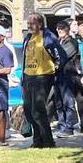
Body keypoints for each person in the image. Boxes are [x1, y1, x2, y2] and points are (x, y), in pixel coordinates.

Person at [20, 13, 67, 148]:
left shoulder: (48, 37)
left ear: (40, 24)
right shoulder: (28, 38)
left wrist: (54, 72)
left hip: (43, 77)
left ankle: (48, 140)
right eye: (28, 23)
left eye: (32, 23)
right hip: (28, 76)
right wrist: (23, 78)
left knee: (38, 110)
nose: (29, 26)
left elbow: (61, 56)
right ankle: (37, 140)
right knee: (29, 110)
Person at [53, 19, 82, 137]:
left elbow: (63, 56)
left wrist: (53, 61)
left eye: (63, 29)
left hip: (68, 76)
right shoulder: (57, 41)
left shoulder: (72, 42)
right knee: (59, 103)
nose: (60, 31)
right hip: (57, 76)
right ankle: (61, 125)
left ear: (67, 30)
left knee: (68, 102)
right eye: (58, 29)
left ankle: (68, 127)